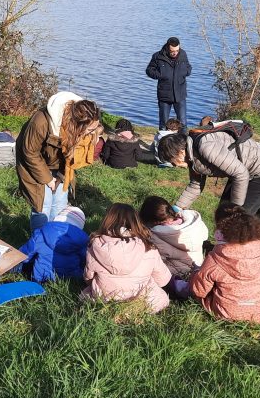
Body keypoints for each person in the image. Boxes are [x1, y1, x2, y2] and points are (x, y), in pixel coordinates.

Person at [190, 204, 260, 324]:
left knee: (199, 282)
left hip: (226, 314)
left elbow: (199, 291)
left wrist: (195, 274)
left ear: (221, 233)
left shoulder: (215, 258)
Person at [16, 91, 101, 229]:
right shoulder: (41, 121)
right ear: (77, 125)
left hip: (60, 165)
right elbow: (30, 152)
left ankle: (55, 239)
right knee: (42, 205)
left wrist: (61, 177)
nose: (91, 134)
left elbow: (71, 157)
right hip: (33, 161)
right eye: (90, 130)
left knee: (60, 203)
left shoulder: (84, 122)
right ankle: (40, 243)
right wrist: (48, 179)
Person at [157, 129, 260, 216]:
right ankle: (221, 248)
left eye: (172, 161)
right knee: (223, 213)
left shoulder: (206, 148)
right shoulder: (191, 156)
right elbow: (195, 185)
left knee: (239, 219)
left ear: (179, 152)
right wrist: (177, 208)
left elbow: (241, 174)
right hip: (240, 171)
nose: (174, 165)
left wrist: (235, 208)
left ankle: (240, 251)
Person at [82, 203, 173, 313]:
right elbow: (162, 280)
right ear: (136, 222)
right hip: (141, 299)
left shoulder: (95, 245)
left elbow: (88, 278)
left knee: (86, 294)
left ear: (107, 220)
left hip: (105, 299)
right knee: (160, 296)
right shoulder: (148, 247)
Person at [139, 196, 208, 297]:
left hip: (178, 274)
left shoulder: (156, 236)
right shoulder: (191, 222)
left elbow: (154, 261)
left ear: (150, 220)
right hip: (197, 267)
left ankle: (178, 288)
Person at [18, 206, 88, 283]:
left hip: (41, 277)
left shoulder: (42, 232)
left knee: (24, 265)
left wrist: (17, 261)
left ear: (58, 218)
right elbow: (84, 262)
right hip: (70, 279)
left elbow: (26, 253)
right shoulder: (83, 241)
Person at [145, 37, 192, 131]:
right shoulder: (157, 56)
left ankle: (183, 144)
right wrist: (160, 75)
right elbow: (149, 70)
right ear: (167, 47)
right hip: (164, 95)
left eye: (177, 50)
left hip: (180, 95)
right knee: (163, 123)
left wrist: (186, 72)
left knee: (183, 123)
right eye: (172, 51)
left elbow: (188, 67)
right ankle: (162, 144)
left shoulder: (183, 54)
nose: (175, 53)